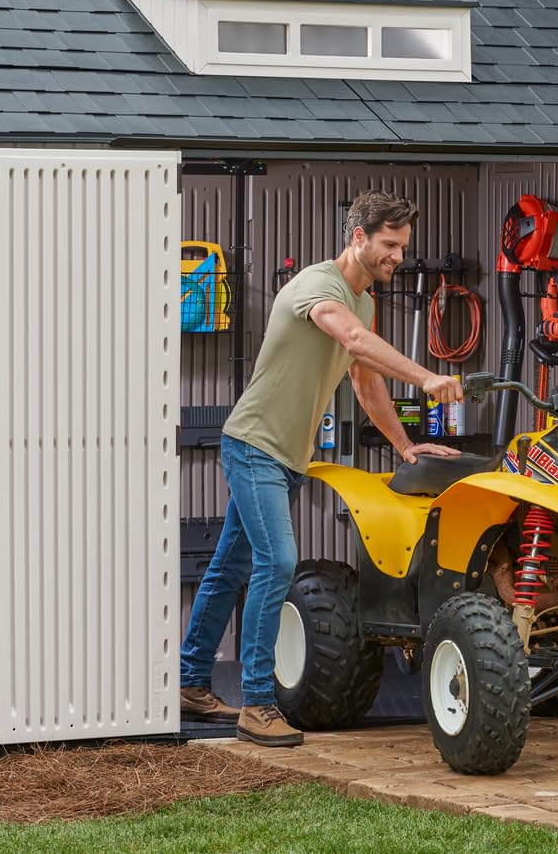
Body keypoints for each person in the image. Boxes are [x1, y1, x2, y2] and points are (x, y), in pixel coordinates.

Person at [179, 190, 465, 747]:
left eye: (403, 248)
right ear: (357, 237)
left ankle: (192, 682)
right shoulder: (319, 286)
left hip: (286, 456)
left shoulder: (365, 301)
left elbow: (364, 380)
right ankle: (258, 703)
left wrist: (405, 446)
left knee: (229, 566)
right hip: (254, 444)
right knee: (277, 560)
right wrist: (427, 379)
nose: (397, 257)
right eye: (389, 245)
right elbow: (353, 340)